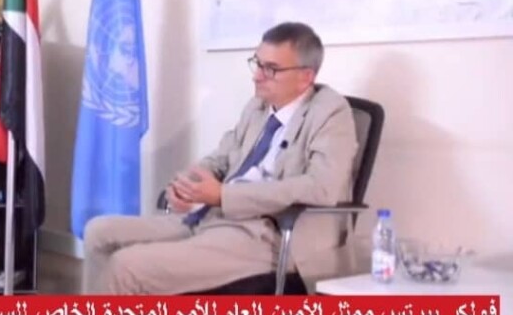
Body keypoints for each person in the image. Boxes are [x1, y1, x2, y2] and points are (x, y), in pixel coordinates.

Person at [82, 21, 358, 297]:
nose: (257, 76)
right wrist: (187, 185)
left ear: (305, 77)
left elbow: (321, 187)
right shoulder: (258, 107)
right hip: (213, 217)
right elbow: (221, 158)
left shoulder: (331, 113)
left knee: (127, 267)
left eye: (271, 69)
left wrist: (224, 196)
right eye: (257, 63)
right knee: (99, 232)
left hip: (264, 234)